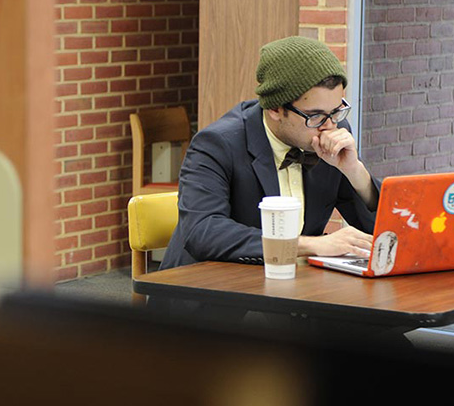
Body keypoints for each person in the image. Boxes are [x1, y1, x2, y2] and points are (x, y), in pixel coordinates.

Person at [160, 35, 380, 270]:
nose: (329, 126)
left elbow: (382, 230)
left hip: (295, 290)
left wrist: (355, 172)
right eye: (315, 115)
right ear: (275, 109)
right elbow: (203, 232)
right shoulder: (217, 143)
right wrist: (310, 245)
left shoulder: (332, 134)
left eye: (336, 111)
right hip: (211, 292)